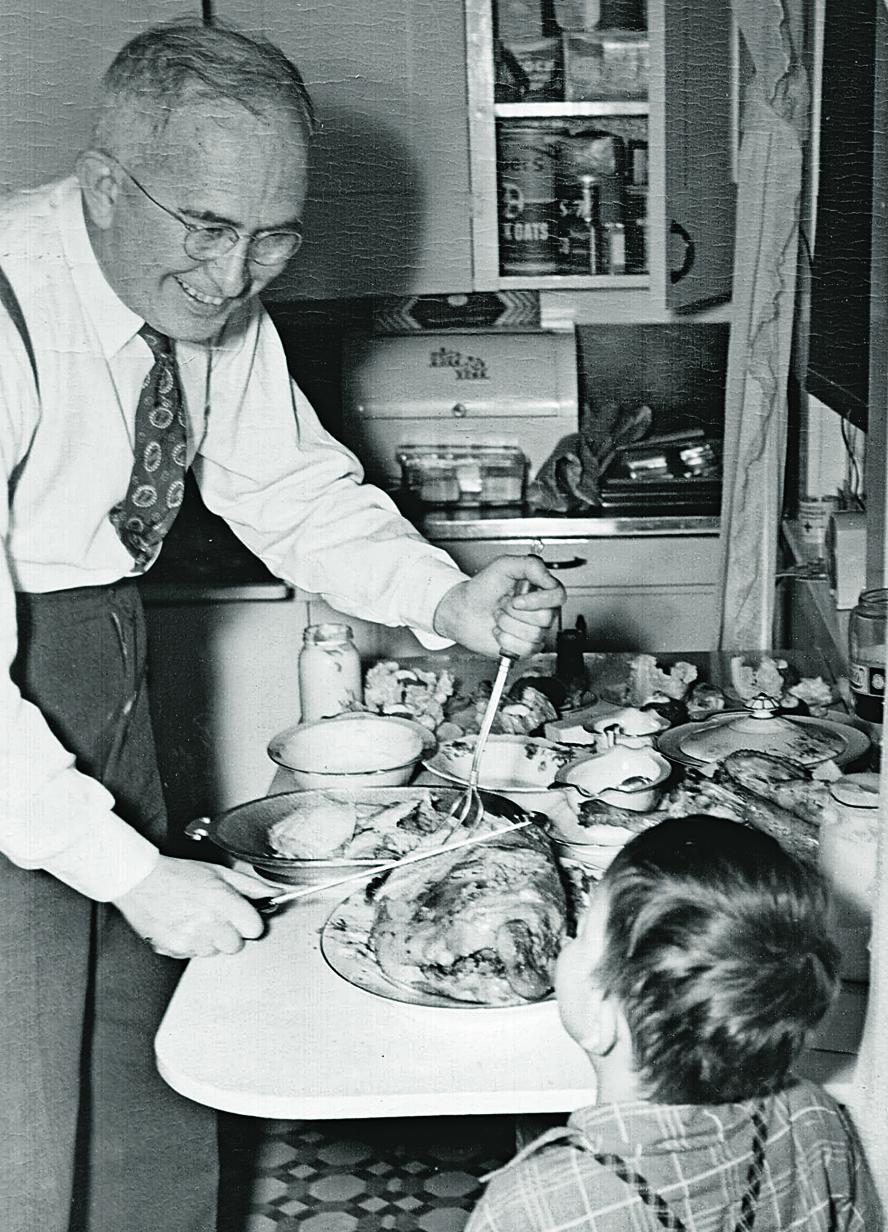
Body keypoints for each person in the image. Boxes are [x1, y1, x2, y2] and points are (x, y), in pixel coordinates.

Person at [0, 19, 564, 1232]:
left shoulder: (208, 301)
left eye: (272, 237)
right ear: (104, 186)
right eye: (205, 227)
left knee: (146, 1049)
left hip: (105, 668)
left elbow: (291, 487)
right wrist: (127, 865)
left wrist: (442, 595)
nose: (233, 275)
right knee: (16, 1108)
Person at [466, 815, 884, 1231]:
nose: (569, 943)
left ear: (600, 1016)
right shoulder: (815, 1116)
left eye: (584, 929)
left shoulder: (532, 1209)